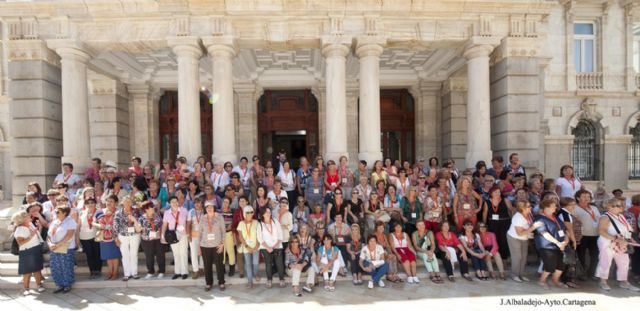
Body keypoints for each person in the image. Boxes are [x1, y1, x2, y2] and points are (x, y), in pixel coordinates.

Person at [595, 198, 640, 291]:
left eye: (621, 205)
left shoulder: (621, 217)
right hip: (607, 242)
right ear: (609, 207)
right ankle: (602, 281)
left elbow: (627, 230)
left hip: (621, 243)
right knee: (605, 262)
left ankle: (624, 282)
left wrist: (630, 240)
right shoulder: (605, 217)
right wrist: (616, 239)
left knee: (624, 262)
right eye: (617, 205)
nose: (621, 207)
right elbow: (601, 231)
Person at [534, 198, 569, 289]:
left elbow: (564, 230)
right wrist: (558, 243)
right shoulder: (539, 219)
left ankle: (555, 280)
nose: (556, 207)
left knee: (561, 264)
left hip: (561, 245)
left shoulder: (555, 217)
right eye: (553, 206)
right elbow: (544, 233)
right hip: (547, 246)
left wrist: (566, 240)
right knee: (550, 265)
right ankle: (542, 281)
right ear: (546, 208)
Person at [12, 210, 45, 295]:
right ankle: (26, 289)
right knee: (27, 272)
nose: (29, 215)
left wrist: (39, 228)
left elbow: (36, 235)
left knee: (37, 269)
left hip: (36, 248)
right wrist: (31, 235)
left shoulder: (30, 224)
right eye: (27, 215)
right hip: (27, 251)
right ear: (23, 219)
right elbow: (21, 243)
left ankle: (39, 286)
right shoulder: (19, 229)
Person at [507, 201, 540, 283]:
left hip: (524, 238)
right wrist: (533, 227)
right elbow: (519, 233)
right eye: (528, 206)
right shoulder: (517, 217)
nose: (531, 208)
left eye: (530, 206)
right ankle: (514, 275)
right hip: (514, 238)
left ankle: (521, 275)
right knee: (517, 257)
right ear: (522, 208)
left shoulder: (529, 214)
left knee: (524, 257)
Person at [47, 205, 77, 293]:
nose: (56, 213)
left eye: (58, 212)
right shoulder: (54, 222)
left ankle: (67, 284)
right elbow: (48, 235)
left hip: (65, 247)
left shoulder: (70, 221)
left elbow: (69, 235)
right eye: (56, 212)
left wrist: (57, 245)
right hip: (54, 247)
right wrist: (50, 244)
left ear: (65, 213)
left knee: (66, 266)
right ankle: (59, 284)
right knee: (56, 266)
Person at [198, 201, 226, 291]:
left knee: (219, 265)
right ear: (205, 209)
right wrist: (199, 247)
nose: (209, 209)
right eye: (207, 207)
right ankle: (208, 283)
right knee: (207, 265)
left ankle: (221, 282)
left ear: (214, 208)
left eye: (211, 207)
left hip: (217, 245)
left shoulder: (219, 217)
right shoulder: (202, 218)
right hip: (205, 246)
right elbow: (199, 233)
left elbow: (223, 232)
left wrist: (222, 244)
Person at [573, 189, 601, 280]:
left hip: (595, 235)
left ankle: (592, 273)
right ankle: (581, 273)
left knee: (595, 255)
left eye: (588, 196)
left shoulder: (594, 208)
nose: (587, 198)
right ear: (578, 198)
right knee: (581, 255)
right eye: (584, 196)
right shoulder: (574, 208)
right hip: (582, 235)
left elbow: (599, 219)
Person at [161, 195, 189, 280]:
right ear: (169, 203)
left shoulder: (184, 210)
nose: (175, 203)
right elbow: (164, 225)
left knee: (183, 253)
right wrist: (163, 237)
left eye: (176, 201)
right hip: (172, 235)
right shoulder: (167, 213)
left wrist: (188, 233)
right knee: (176, 254)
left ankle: (184, 272)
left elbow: (188, 222)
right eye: (172, 202)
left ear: (178, 202)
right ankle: (177, 272)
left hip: (183, 235)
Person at [94, 195, 122, 280]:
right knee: (108, 256)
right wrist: (100, 225)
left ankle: (115, 273)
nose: (109, 203)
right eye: (107, 201)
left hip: (116, 236)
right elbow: (93, 223)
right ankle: (110, 272)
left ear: (116, 203)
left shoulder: (119, 212)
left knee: (115, 255)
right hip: (104, 236)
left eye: (111, 201)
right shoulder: (100, 211)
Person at [482, 186, 512, 260]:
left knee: (503, 240)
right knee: (494, 240)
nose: (497, 193)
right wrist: (484, 224)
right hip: (492, 224)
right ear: (491, 193)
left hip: (504, 223)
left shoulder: (505, 200)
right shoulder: (487, 202)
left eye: (499, 192)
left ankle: (504, 258)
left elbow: (511, 210)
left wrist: (512, 222)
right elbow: (485, 213)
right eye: (495, 192)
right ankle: (494, 256)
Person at [257, 207, 285, 288]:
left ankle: (281, 279)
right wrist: (268, 247)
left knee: (279, 263)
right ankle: (269, 280)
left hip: (277, 246)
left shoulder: (275, 221)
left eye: (269, 212)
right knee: (268, 264)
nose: (269, 213)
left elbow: (280, 234)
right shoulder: (260, 225)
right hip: (266, 248)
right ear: (263, 214)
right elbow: (260, 238)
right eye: (267, 212)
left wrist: (276, 245)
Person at [138, 201, 165, 279]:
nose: (153, 208)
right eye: (151, 207)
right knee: (149, 256)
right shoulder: (141, 218)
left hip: (158, 239)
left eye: (153, 206)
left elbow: (161, 225)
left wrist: (161, 234)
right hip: (146, 240)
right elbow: (139, 229)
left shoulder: (158, 216)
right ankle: (150, 271)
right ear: (146, 209)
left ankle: (161, 271)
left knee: (160, 255)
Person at [78, 198, 102, 279]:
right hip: (84, 237)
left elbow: (101, 224)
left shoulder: (99, 212)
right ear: (85, 205)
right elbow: (78, 225)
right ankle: (92, 271)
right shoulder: (81, 213)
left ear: (95, 203)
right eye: (87, 203)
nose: (90, 204)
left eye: (92, 202)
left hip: (96, 236)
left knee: (97, 253)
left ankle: (98, 270)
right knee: (89, 254)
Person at [237, 205, 260, 288]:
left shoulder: (256, 222)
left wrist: (257, 245)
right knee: (248, 264)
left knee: (255, 263)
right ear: (244, 214)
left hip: (255, 247)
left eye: (251, 212)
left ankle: (256, 273)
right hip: (246, 247)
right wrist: (247, 246)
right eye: (247, 212)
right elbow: (240, 237)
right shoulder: (241, 224)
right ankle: (250, 281)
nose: (250, 214)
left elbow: (259, 235)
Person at [187, 197, 206, 279]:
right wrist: (189, 235)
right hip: (193, 236)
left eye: (199, 202)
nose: (197, 204)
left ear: (202, 203)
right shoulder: (191, 211)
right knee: (194, 253)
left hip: (203, 236)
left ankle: (201, 268)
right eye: (195, 203)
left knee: (203, 253)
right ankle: (195, 270)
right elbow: (188, 224)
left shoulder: (205, 212)